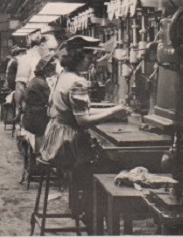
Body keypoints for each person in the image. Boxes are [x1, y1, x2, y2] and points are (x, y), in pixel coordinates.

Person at [38, 35, 132, 231]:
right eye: (89, 58)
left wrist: (114, 109)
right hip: (67, 145)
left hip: (56, 139)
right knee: (109, 169)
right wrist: (114, 112)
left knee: (100, 165)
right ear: (77, 58)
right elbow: (83, 120)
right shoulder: (77, 82)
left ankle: (88, 212)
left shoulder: (63, 77)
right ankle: (94, 219)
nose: (91, 63)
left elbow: (80, 113)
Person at [22, 53, 57, 152]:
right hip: (36, 117)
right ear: (46, 70)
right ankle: (39, 158)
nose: (53, 71)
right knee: (42, 136)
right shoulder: (40, 83)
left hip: (31, 115)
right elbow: (50, 100)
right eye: (51, 68)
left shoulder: (36, 80)